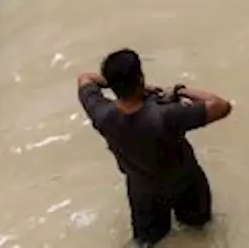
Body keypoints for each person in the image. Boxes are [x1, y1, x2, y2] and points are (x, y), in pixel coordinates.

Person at [77, 49, 233, 247]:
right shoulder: (166, 115)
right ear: (140, 77)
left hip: (143, 194)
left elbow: (85, 78)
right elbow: (221, 106)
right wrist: (179, 90)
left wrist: (119, 84)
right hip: (186, 186)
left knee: (147, 243)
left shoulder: (101, 113)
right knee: (200, 235)